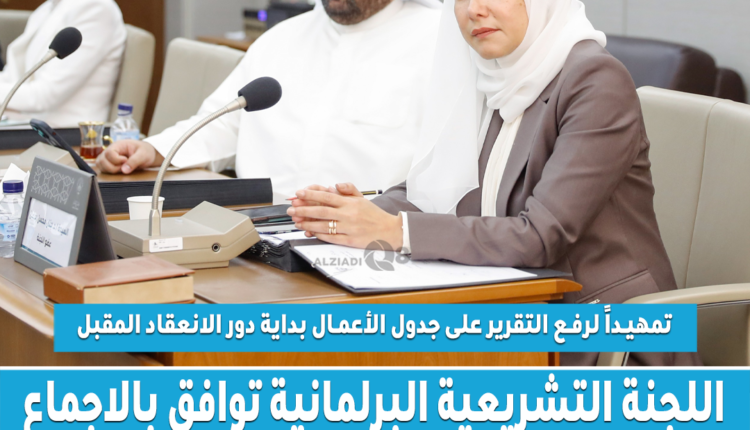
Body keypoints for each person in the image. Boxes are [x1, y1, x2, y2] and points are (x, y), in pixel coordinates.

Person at [288, 0, 701, 366]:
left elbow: (539, 237)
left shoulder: (595, 81)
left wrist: (396, 231)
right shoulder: (494, 75)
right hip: (517, 311)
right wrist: (344, 214)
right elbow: (435, 189)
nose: (474, 10)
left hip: (608, 337)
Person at [97, 0, 442, 203]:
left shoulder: (440, 43)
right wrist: (154, 150)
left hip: (369, 246)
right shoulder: (282, 38)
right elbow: (221, 121)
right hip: (254, 228)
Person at [0, 0, 126, 127]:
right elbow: (13, 75)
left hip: (68, 130)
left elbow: (45, 95)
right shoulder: (49, 6)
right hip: (27, 121)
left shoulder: (95, 8)